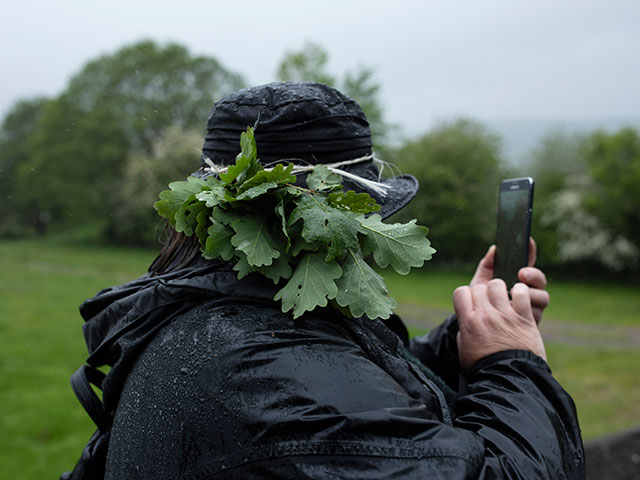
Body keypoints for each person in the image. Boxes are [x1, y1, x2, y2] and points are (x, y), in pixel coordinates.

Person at [69, 82, 584, 478]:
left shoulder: (223, 314)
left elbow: (365, 396)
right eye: (367, 218)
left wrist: (471, 334)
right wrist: (512, 364)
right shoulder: (262, 369)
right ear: (322, 224)